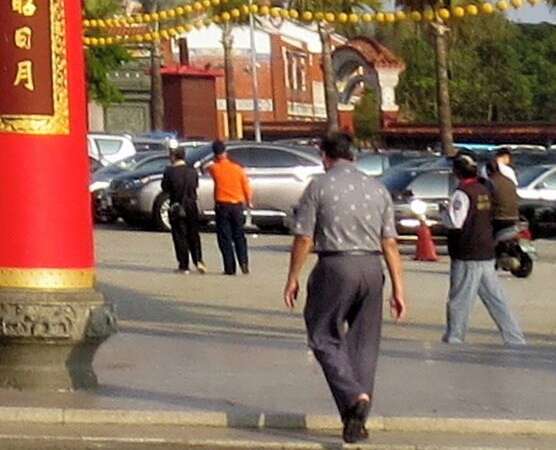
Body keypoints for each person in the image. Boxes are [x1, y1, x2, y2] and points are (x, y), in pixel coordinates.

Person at [283, 131, 407, 446]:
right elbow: (390, 243)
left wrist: (293, 276)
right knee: (365, 344)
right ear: (352, 155)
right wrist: (398, 289)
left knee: (323, 335)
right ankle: (355, 420)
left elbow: (304, 238)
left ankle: (354, 395)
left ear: (325, 155)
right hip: (372, 267)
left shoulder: (319, 187)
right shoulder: (377, 189)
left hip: (335, 266)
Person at [437, 149, 525, 346]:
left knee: (459, 300)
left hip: (467, 252)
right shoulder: (483, 189)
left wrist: (443, 213)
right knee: (496, 300)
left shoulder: (462, 193)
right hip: (486, 251)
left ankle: (455, 338)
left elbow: (455, 222)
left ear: (458, 170)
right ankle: (515, 339)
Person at [210, 141, 254, 276]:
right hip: (237, 205)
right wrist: (249, 200)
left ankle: (230, 268)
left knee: (225, 238)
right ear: (225, 152)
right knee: (239, 235)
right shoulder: (237, 168)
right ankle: (244, 262)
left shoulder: (214, 168)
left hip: (222, 205)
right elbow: (246, 186)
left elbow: (207, 167)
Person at [161, 144, 206, 273]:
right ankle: (198, 260)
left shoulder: (169, 171)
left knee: (180, 236)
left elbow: (165, 188)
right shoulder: (192, 171)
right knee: (193, 234)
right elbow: (195, 186)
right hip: (191, 205)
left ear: (174, 156)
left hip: (176, 205)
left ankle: (184, 265)